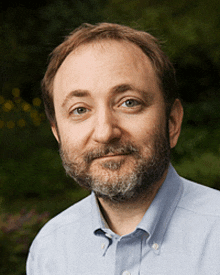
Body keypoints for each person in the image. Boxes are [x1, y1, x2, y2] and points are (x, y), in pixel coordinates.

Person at [26, 23, 220, 275]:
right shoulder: (49, 249)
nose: (105, 132)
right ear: (57, 133)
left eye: (129, 103)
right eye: (80, 110)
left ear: (172, 122)